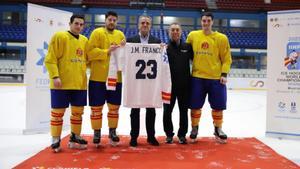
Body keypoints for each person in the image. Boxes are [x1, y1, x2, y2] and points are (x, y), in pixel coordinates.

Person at [186, 12, 232, 143]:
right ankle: (194, 128)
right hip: (197, 77)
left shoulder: (222, 38)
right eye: (204, 21)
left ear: (212, 22)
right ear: (201, 22)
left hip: (216, 78)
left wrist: (224, 74)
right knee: (195, 105)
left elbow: (227, 59)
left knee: (218, 106)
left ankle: (218, 129)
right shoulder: (193, 36)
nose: (206, 23)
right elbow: (185, 52)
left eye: (208, 21)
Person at [44, 14, 88, 152]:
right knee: (58, 113)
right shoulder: (60, 37)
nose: (79, 26)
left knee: (77, 113)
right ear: (70, 24)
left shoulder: (85, 40)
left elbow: (89, 60)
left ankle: (75, 136)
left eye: (81, 24)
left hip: (79, 84)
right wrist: (55, 76)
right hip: (61, 83)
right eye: (76, 23)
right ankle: (55, 139)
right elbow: (50, 59)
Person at [86, 11, 125, 147]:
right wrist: (106, 51)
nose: (112, 22)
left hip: (116, 79)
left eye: (114, 20)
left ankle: (112, 131)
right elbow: (89, 53)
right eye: (110, 19)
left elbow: (124, 55)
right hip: (98, 78)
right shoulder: (97, 33)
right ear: (105, 20)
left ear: (117, 21)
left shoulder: (120, 35)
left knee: (114, 108)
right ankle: (97, 132)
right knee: (96, 108)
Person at [127, 15, 161, 147]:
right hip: (136, 81)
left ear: (150, 25)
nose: (145, 25)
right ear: (138, 25)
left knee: (151, 110)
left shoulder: (157, 41)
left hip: (151, 82)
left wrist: (162, 48)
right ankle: (134, 136)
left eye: (147, 23)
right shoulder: (131, 41)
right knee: (134, 110)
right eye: (143, 23)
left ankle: (151, 136)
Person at [163, 23, 193, 144]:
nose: (175, 32)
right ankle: (169, 134)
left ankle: (182, 135)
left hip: (185, 86)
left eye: (177, 30)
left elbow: (198, 60)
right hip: (169, 87)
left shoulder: (188, 47)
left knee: (183, 111)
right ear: (169, 32)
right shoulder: (164, 48)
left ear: (181, 32)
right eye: (172, 30)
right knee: (167, 112)